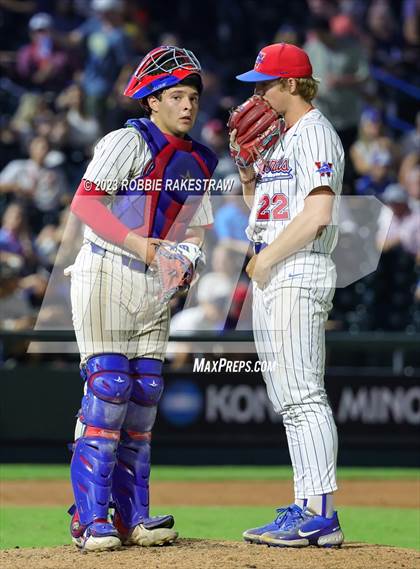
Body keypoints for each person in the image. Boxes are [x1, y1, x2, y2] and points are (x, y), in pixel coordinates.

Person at [66, 45, 217, 552]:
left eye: (192, 96)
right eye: (176, 95)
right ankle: (90, 518)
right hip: (109, 267)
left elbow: (195, 230)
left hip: (154, 280)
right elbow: (86, 202)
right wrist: (143, 247)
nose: (188, 105)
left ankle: (135, 516)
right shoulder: (127, 141)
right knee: (109, 387)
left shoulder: (199, 159)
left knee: (145, 394)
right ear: (151, 101)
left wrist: (186, 264)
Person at [232, 43, 345, 547]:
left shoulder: (316, 134)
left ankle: (322, 513)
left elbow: (317, 215)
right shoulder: (280, 140)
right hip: (274, 269)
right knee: (287, 399)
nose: (257, 93)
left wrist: (268, 258)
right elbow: (263, 210)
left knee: (304, 394)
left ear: (293, 84)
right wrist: (247, 174)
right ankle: (304, 505)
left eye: (266, 83)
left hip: (297, 267)